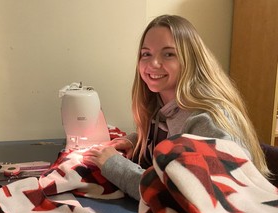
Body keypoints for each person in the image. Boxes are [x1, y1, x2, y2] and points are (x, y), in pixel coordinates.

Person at [83, 14, 270, 201]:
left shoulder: (206, 120)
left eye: (169, 54)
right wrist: (136, 140)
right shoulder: (161, 102)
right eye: (146, 54)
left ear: (190, 60)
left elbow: (186, 196)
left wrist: (114, 166)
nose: (153, 64)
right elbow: (169, 145)